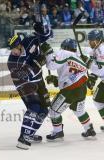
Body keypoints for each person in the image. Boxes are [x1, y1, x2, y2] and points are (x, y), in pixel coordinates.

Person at [7, 22, 52, 150]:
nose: (14, 51)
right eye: (11, 48)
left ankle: (31, 133)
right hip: (23, 84)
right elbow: (28, 75)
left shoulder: (29, 41)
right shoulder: (12, 62)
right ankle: (24, 137)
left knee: (44, 110)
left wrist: (41, 30)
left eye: (15, 47)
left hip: (39, 80)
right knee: (34, 106)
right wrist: (40, 61)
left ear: (21, 44)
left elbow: (46, 37)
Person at [43, 38, 96, 141]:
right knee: (79, 111)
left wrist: (48, 53)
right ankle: (89, 129)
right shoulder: (78, 57)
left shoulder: (63, 52)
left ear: (64, 47)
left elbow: (51, 65)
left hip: (71, 90)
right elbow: (71, 76)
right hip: (81, 89)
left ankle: (58, 131)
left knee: (54, 111)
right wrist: (55, 79)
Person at [83, 29, 104, 131]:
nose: (90, 42)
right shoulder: (96, 49)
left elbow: (101, 69)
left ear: (98, 40)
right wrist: (92, 78)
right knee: (97, 100)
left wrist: (89, 63)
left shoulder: (102, 50)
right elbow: (91, 59)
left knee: (98, 100)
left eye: (91, 40)